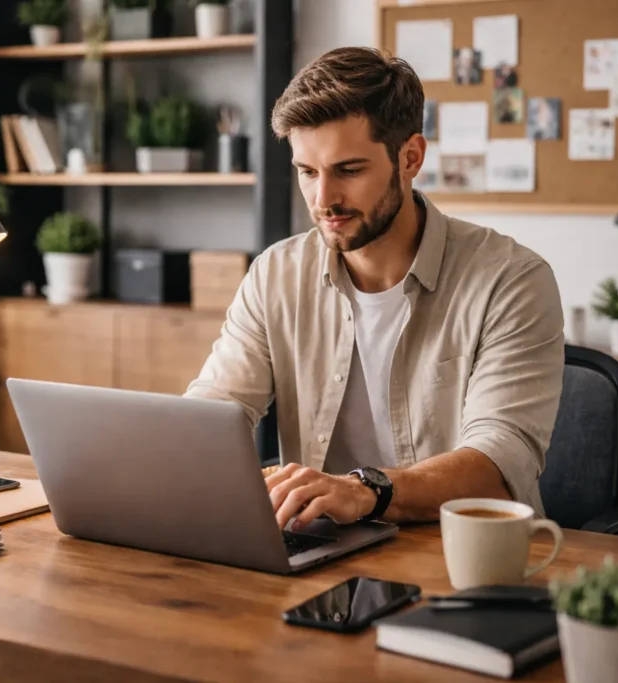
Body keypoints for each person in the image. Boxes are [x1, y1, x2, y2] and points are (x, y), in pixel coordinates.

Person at [185, 47, 564, 533]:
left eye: (349, 170)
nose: (324, 200)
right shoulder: (275, 274)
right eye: (307, 172)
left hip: (463, 556)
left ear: (410, 158)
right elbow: (217, 409)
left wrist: (366, 491)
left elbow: (500, 462)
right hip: (320, 550)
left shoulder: (511, 281)